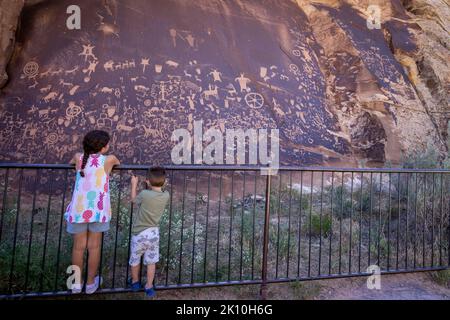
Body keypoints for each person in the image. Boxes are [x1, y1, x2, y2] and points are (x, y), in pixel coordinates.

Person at [64, 130, 120, 294]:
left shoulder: (78, 157)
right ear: (103, 147)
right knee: (94, 247)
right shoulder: (108, 159)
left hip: (79, 210)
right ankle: (90, 284)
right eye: (107, 144)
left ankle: (75, 284)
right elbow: (118, 162)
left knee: (78, 248)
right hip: (98, 210)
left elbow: (71, 163)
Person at [129, 167, 170, 297]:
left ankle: (135, 282)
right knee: (151, 261)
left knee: (135, 259)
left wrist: (134, 184)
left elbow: (134, 200)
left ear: (147, 181)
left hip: (139, 233)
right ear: (164, 182)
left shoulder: (145, 194)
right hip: (153, 234)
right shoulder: (166, 196)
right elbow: (162, 188)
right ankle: (149, 286)